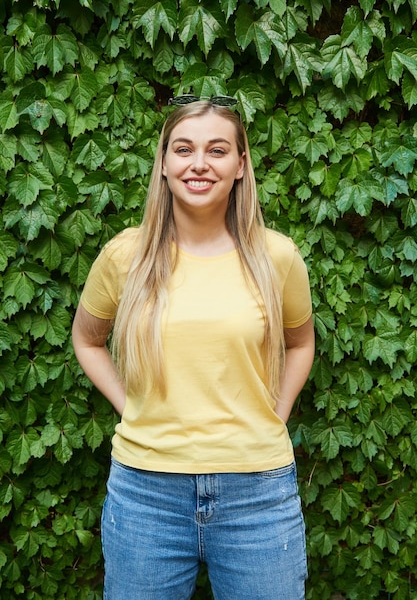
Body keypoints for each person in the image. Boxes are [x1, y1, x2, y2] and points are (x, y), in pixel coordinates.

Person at [72, 96, 315, 600]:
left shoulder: (279, 257)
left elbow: (301, 342)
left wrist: (278, 411)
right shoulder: (125, 256)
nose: (199, 163)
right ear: (163, 163)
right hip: (145, 495)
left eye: (217, 150)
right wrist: (129, 406)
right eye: (183, 149)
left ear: (241, 165)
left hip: (259, 493)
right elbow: (87, 339)